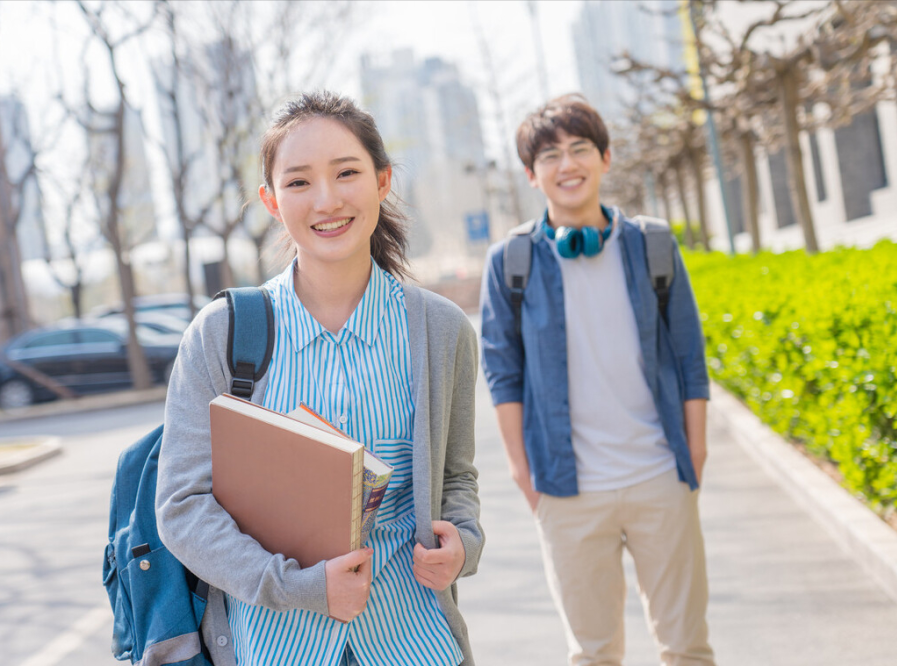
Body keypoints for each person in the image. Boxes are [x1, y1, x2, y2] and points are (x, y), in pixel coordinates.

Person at [156, 91, 483, 666]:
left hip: (415, 642)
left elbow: (456, 477)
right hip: (279, 646)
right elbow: (182, 505)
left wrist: (463, 545)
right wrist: (295, 585)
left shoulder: (439, 330)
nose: (326, 200)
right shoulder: (222, 334)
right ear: (271, 200)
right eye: (299, 182)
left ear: (383, 181)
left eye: (347, 173)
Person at [479, 94, 715, 666]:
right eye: (550, 155)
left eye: (580, 149)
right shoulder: (511, 262)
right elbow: (502, 371)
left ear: (605, 158)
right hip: (566, 488)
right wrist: (520, 468)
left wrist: (695, 449)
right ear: (533, 175)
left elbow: (688, 352)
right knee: (592, 653)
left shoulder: (652, 245)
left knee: (687, 648)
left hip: (660, 473)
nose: (567, 165)